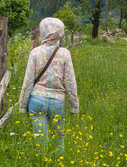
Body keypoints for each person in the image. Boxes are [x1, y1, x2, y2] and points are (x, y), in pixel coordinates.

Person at [18, 17, 79, 153]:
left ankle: (42, 162)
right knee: (58, 139)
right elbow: (70, 82)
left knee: (41, 141)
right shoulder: (64, 54)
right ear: (60, 33)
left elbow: (27, 81)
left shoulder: (35, 52)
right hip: (57, 102)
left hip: (36, 100)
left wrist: (22, 105)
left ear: (42, 32)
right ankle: (58, 162)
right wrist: (73, 106)